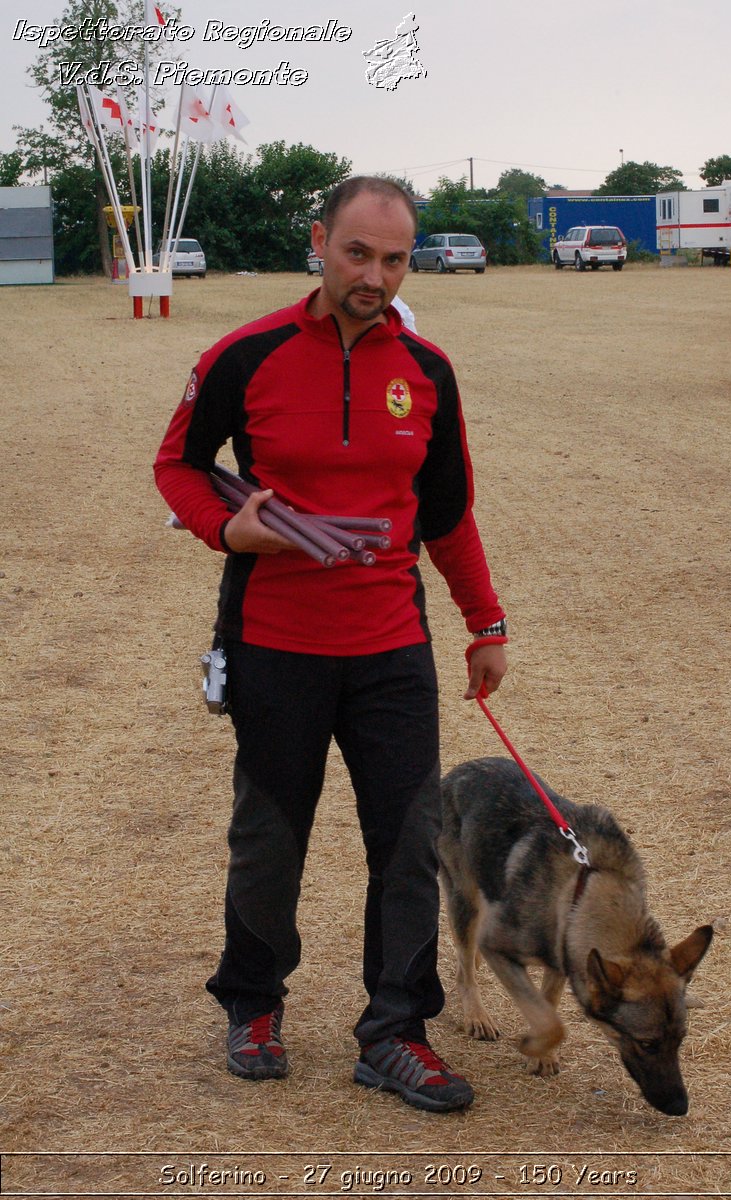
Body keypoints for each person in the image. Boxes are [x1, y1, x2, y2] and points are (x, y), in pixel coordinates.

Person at [153, 176, 507, 1114]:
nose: (376, 276)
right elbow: (178, 465)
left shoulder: (427, 370)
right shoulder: (246, 354)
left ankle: (395, 1032)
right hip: (275, 642)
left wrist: (486, 623)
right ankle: (253, 1006)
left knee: (407, 845)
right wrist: (229, 532)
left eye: (395, 259)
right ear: (320, 241)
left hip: (391, 646)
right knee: (271, 839)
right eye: (359, 254)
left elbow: (447, 513)